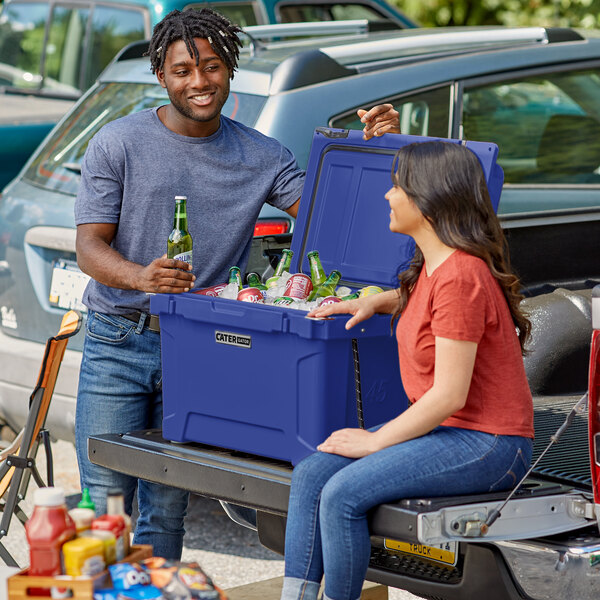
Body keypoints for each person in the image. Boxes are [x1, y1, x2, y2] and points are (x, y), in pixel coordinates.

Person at [74, 7, 400, 559]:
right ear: (161, 74)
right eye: (183, 70)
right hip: (117, 340)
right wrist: (141, 276)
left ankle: (157, 595)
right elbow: (89, 247)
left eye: (212, 68)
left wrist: (376, 150)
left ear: (230, 72)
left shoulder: (263, 154)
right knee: (102, 502)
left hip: (197, 347)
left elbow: (336, 216)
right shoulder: (118, 143)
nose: (199, 82)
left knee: (168, 504)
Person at [280, 141, 534, 600]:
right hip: (452, 432)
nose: (388, 195)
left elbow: (450, 395)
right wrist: (375, 300)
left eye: (398, 185)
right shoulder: (437, 269)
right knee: (312, 474)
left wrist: (375, 441)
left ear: (428, 197)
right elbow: (427, 303)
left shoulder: (461, 276)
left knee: (341, 496)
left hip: (488, 442)